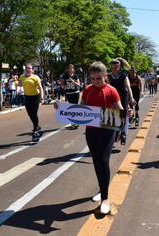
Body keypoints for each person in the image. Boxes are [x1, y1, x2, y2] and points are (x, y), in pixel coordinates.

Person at [54, 61, 133, 214]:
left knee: (103, 160)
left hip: (107, 130)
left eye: (98, 78)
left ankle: (105, 198)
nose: (95, 82)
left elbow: (120, 110)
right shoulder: (87, 90)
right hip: (91, 131)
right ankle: (102, 188)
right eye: (92, 78)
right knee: (96, 161)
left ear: (105, 76)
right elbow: (80, 110)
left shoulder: (111, 91)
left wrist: (127, 114)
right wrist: (61, 108)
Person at [108, 58, 136, 145]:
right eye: (112, 68)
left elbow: (128, 87)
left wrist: (131, 98)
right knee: (113, 113)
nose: (114, 70)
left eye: (115, 68)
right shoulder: (109, 76)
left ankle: (123, 133)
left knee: (122, 113)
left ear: (119, 67)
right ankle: (116, 131)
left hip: (123, 96)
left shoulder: (124, 76)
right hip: (113, 97)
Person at [16, 63, 44, 141]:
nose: (28, 69)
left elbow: (40, 88)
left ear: (32, 70)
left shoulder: (35, 77)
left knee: (34, 113)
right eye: (27, 68)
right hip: (27, 96)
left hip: (36, 96)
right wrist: (17, 89)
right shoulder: (22, 77)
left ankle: (35, 131)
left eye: (29, 68)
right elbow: (19, 84)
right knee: (29, 113)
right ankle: (37, 126)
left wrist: (42, 98)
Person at [61, 64, 81, 128]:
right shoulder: (65, 76)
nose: (70, 69)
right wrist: (64, 86)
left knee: (75, 107)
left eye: (71, 68)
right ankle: (73, 122)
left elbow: (78, 85)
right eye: (69, 68)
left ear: (73, 69)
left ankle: (76, 121)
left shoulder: (75, 76)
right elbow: (61, 83)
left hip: (75, 92)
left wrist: (73, 81)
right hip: (69, 93)